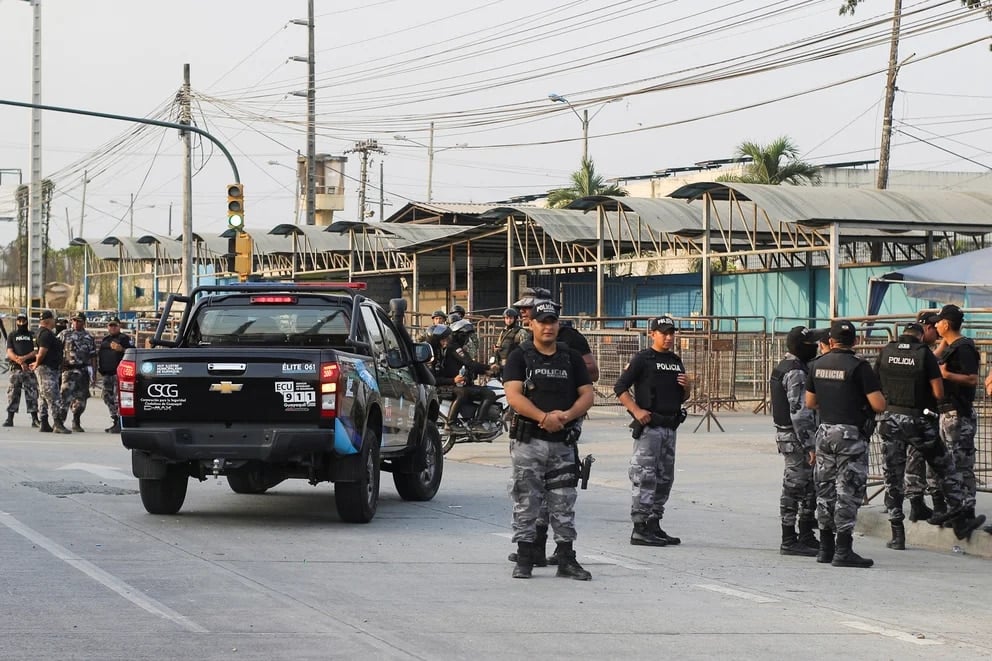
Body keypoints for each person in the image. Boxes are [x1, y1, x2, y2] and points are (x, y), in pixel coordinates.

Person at [874, 322, 986, 549]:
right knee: (945, 468)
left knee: (892, 479)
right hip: (919, 422)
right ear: (920, 335)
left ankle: (898, 536)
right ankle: (958, 516)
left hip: (891, 421)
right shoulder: (924, 354)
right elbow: (938, 391)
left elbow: (877, 385)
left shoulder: (886, 351)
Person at [504, 300, 594, 580]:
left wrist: (565, 417)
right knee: (526, 500)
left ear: (558, 324)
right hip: (530, 440)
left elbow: (587, 394)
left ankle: (566, 557)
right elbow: (514, 396)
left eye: (552, 321)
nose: (547, 326)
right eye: (541, 321)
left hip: (562, 442)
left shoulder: (570, 357)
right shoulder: (520, 356)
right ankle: (525, 557)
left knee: (563, 500)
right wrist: (543, 418)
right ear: (531, 324)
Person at [805, 319, 886, 568]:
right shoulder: (859, 367)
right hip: (850, 435)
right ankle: (843, 550)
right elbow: (879, 405)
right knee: (848, 492)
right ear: (856, 341)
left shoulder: (817, 365)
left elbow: (810, 402)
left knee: (826, 491)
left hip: (825, 433)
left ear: (830, 341)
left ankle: (825, 547)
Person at [614, 315, 692, 547]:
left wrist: (688, 387)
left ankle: (654, 524)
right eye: (663, 333)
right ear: (653, 334)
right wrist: (636, 411)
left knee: (665, 479)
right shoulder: (643, 359)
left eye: (671, 333)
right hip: (650, 428)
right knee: (645, 477)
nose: (668, 337)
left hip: (670, 427)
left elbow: (682, 396)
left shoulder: (675, 360)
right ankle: (639, 528)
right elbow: (620, 387)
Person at [768, 326, 821, 557]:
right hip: (797, 438)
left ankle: (806, 534)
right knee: (794, 487)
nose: (817, 347)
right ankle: (789, 538)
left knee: (809, 487)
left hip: (793, 436)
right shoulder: (796, 372)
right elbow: (799, 413)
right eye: (813, 344)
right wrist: (810, 445)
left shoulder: (786, 366)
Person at [932, 303, 981, 526]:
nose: (935, 325)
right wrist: (944, 343)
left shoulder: (964, 348)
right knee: (950, 463)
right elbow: (934, 359)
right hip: (947, 412)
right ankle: (957, 510)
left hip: (959, 413)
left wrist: (947, 374)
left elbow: (972, 379)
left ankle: (967, 510)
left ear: (947, 324)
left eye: (939, 321)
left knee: (961, 464)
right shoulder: (952, 346)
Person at [903, 311, 941, 522]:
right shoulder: (923, 354)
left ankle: (908, 511)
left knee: (906, 462)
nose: (936, 332)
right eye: (933, 328)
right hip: (920, 416)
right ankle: (936, 505)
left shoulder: (893, 351)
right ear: (925, 329)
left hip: (896, 417)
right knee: (930, 459)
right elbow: (938, 392)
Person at [429, 324, 493, 430]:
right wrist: (453, 380)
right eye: (443, 339)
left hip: (451, 384)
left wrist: (485, 370)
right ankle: (450, 423)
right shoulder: (431, 357)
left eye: (447, 338)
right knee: (462, 392)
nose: (447, 341)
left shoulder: (444, 352)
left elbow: (468, 364)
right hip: (440, 387)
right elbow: (433, 379)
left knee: (488, 393)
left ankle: (477, 422)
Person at [30, 310, 69, 434]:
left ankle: (44, 422)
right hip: (46, 369)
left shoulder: (43, 333)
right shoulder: (45, 334)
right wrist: (37, 363)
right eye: (53, 319)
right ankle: (58, 423)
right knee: (53, 396)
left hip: (49, 368)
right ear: (48, 320)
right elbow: (42, 352)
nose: (55, 321)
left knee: (43, 396)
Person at [59, 311, 98, 432]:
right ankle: (59, 422)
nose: (76, 323)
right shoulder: (64, 334)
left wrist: (94, 374)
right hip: (68, 371)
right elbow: (56, 350)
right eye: (74, 320)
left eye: (79, 321)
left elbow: (93, 356)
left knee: (81, 400)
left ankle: (76, 420)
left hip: (82, 371)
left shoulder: (89, 337)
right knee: (64, 397)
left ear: (84, 322)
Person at [97, 317, 132, 433]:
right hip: (107, 374)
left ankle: (121, 423)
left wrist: (122, 349)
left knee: (118, 399)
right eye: (110, 325)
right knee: (106, 397)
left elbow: (133, 352)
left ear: (119, 326)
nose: (112, 328)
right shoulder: (105, 339)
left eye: (115, 325)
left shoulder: (124, 339)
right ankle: (115, 419)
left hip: (118, 374)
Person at [4, 313, 40, 428]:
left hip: (29, 369)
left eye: (23, 320)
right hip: (16, 369)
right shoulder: (12, 335)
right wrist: (19, 361)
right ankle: (10, 418)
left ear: (27, 321)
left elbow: (36, 351)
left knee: (32, 394)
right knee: (13, 394)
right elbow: (9, 352)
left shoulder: (32, 335)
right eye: (19, 320)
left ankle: (35, 419)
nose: (21, 322)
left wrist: (24, 359)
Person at [490, 308, 521, 377]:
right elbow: (499, 344)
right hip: (501, 362)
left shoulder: (520, 332)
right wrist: (496, 349)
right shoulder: (503, 331)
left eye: (511, 318)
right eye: (506, 318)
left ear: (515, 319)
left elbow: (524, 349)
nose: (509, 320)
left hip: (513, 363)